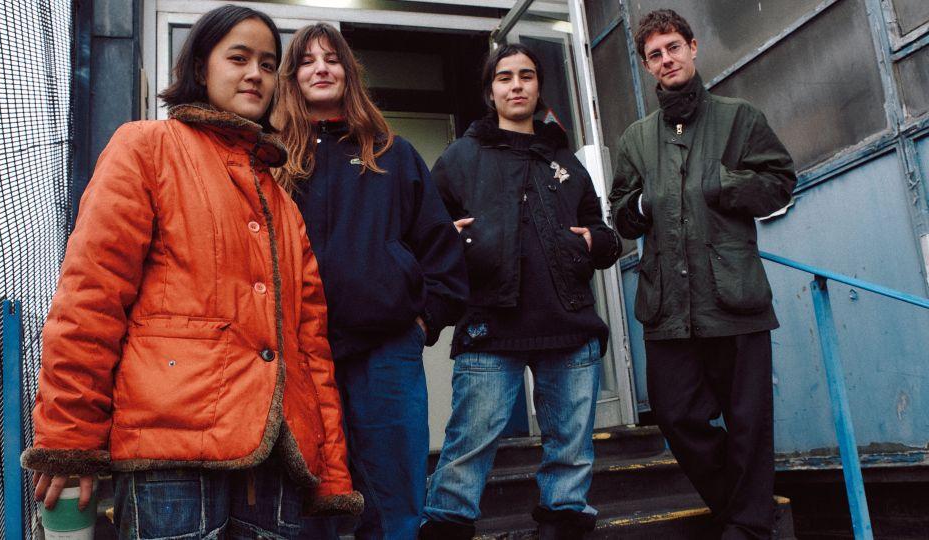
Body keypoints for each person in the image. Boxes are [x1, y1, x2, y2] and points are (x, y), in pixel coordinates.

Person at [21, 6, 362, 538]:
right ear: (202, 68)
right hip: (170, 455)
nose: (256, 73)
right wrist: (69, 441)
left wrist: (333, 474)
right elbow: (91, 298)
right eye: (239, 58)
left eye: (269, 64)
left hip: (277, 461)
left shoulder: (282, 202)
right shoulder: (145, 147)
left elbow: (310, 346)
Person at [271, 23, 468, 539]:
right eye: (308, 60)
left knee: (395, 501)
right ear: (292, 77)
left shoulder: (394, 154)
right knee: (310, 498)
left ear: (348, 72)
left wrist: (423, 323)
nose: (321, 68)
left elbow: (440, 247)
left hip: (386, 353)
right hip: (297, 355)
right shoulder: (271, 159)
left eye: (332, 59)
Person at [420, 44, 622, 540]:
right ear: (490, 91)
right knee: (471, 438)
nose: (517, 85)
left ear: (538, 86)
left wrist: (595, 240)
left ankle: (564, 516)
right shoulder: (461, 157)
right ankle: (447, 522)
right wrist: (452, 236)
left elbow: (602, 230)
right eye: (505, 77)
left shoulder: (565, 159)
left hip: (568, 321)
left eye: (527, 76)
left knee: (571, 443)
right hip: (491, 323)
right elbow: (422, 231)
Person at [609, 9, 796, 540]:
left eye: (673, 47)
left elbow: (779, 182)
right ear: (648, 67)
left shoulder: (740, 117)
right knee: (676, 416)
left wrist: (723, 182)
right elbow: (619, 211)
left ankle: (748, 527)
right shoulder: (636, 139)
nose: (666, 59)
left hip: (733, 297)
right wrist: (645, 201)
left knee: (749, 425)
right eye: (654, 55)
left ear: (693, 48)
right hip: (667, 305)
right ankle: (739, 510)